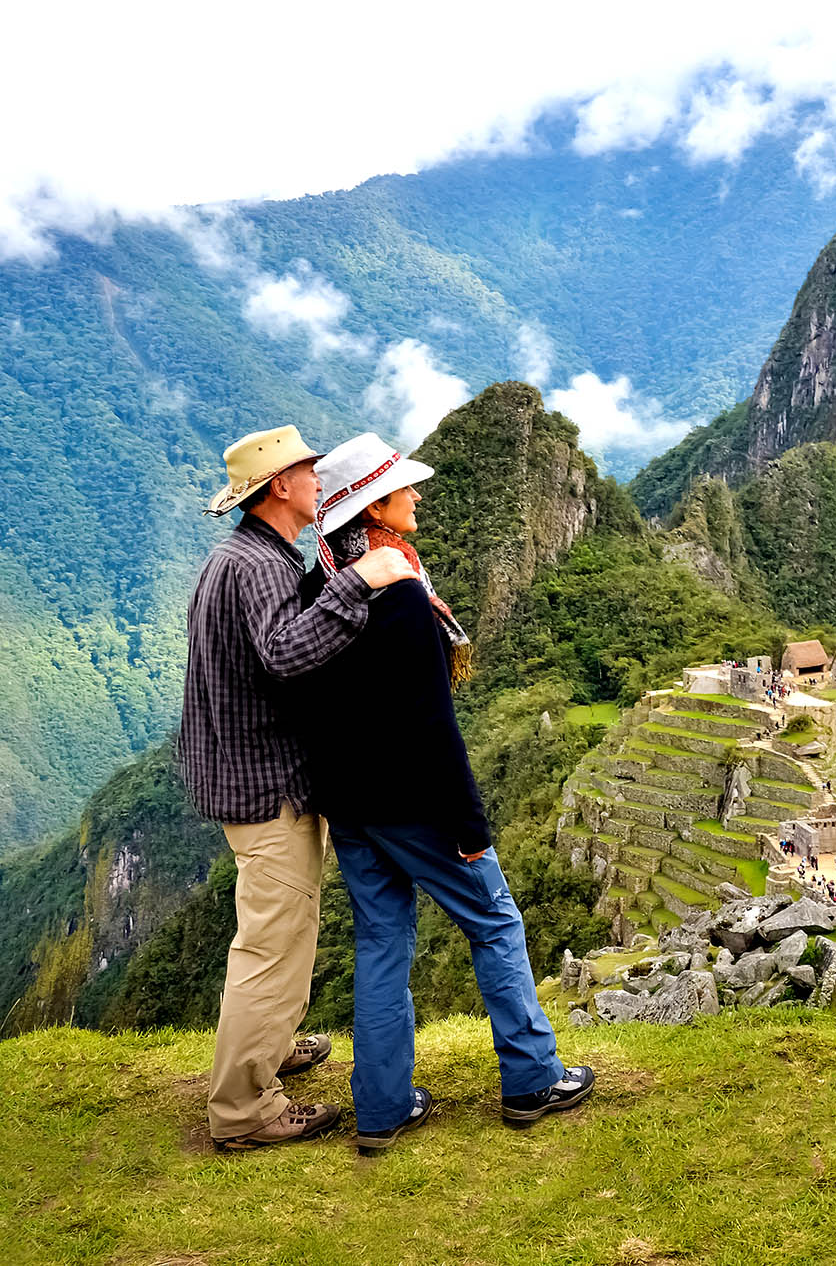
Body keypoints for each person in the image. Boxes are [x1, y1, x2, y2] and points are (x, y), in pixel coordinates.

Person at [295, 435, 594, 1154]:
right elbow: (432, 723)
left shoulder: (320, 587)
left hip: (354, 808)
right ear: (376, 507)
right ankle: (530, 1077)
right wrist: (469, 823)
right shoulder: (398, 595)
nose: (417, 496)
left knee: (381, 944)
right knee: (495, 920)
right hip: (415, 803)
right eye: (404, 488)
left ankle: (383, 1106)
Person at [180, 425, 420, 1152]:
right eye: (309, 472)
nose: (319, 481)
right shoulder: (257, 566)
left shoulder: (245, 556)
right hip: (265, 783)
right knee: (272, 943)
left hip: (243, 773)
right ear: (279, 486)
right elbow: (287, 653)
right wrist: (359, 580)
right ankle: (245, 1107)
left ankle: (270, 1044)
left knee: (285, 929)